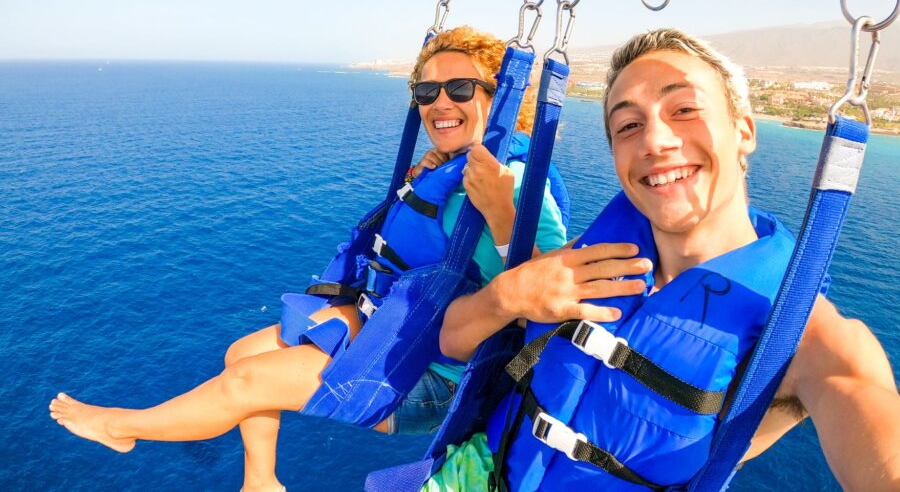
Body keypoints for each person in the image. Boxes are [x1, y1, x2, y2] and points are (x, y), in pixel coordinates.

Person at [427, 28, 900, 491]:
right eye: (628, 125)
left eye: (684, 109)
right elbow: (452, 340)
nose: (655, 140)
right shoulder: (590, 257)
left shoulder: (807, 339)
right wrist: (507, 294)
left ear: (744, 131)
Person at [48, 26, 570, 492]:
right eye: (426, 92)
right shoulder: (452, 166)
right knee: (240, 355)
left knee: (246, 384)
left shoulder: (518, 182)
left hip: (437, 377)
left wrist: (501, 211)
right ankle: (261, 482)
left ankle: (120, 428)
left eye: (459, 89)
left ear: (498, 98)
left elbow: (554, 293)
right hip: (397, 328)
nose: (439, 103)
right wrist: (437, 169)